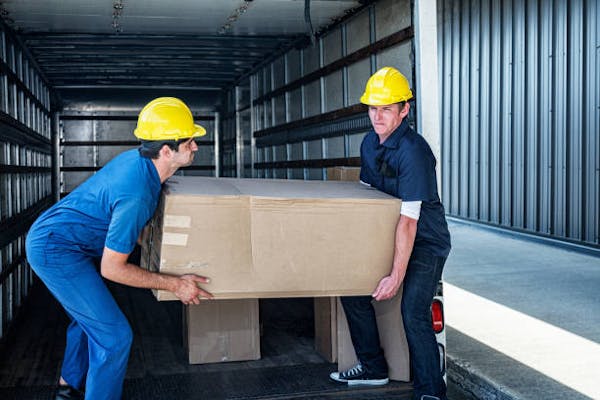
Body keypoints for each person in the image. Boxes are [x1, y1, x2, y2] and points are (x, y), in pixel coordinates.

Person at [25, 97, 214, 400]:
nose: (195, 146)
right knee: (113, 337)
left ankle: (68, 387)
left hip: (72, 242)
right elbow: (112, 268)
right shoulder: (137, 193)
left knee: (89, 317)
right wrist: (175, 283)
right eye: (189, 141)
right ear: (167, 150)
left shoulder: (142, 164)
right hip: (55, 249)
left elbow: (124, 228)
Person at [329, 67, 451, 400]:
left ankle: (431, 392)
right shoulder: (369, 143)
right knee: (352, 291)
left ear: (404, 110)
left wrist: (396, 275)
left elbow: (410, 221)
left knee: (413, 311)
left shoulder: (414, 151)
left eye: (386, 108)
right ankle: (373, 368)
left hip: (426, 242)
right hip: (388, 233)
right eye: (372, 108)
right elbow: (369, 200)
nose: (377, 116)